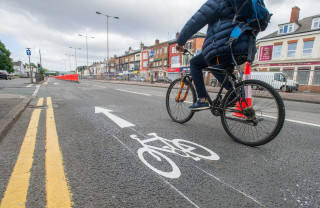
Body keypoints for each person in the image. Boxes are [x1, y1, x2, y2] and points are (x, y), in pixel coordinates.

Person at [176, 0, 253, 110]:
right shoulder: (244, 3)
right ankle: (233, 93)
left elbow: (195, 21)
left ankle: (202, 100)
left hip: (225, 45)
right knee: (216, 66)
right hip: (244, 47)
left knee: (195, 63)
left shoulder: (217, 2)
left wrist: (180, 41)